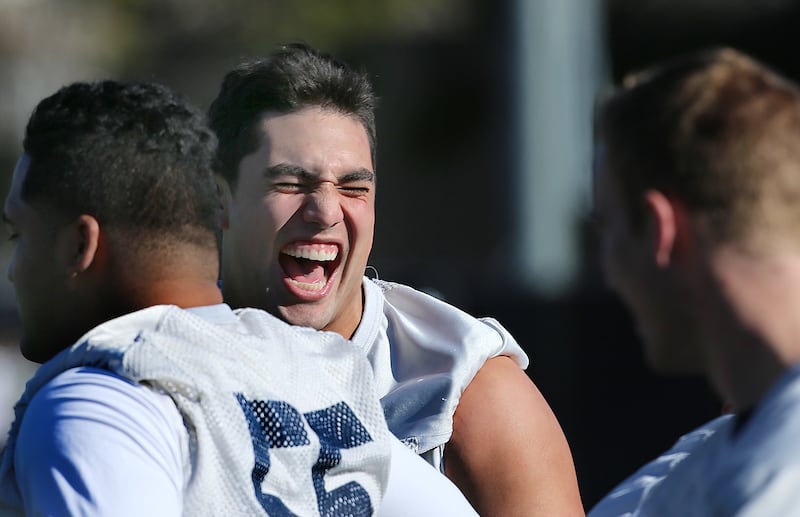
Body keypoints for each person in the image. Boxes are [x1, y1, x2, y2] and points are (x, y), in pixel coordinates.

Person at [0, 80, 480, 516]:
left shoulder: (99, 401)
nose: (12, 269)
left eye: (18, 234)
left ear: (81, 246)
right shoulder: (318, 372)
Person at [208, 42, 584, 516]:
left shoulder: (465, 389)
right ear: (219, 198)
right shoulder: (147, 355)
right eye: (290, 183)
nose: (325, 211)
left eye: (353, 188)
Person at [589, 47, 800, 515]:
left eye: (606, 228)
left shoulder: (770, 482)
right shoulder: (734, 456)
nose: (607, 267)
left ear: (659, 228)